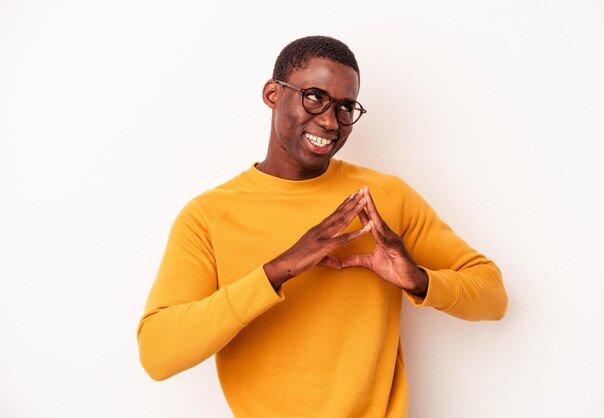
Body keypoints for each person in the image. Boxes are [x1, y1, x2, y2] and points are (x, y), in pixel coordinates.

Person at [137, 35, 507, 417]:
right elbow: (157, 354)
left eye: (346, 107)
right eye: (314, 97)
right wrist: (278, 271)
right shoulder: (209, 216)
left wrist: (419, 280)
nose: (330, 121)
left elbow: (493, 295)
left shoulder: (382, 198)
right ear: (272, 94)